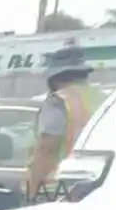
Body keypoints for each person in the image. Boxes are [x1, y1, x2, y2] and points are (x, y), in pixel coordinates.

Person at [25, 44, 103, 200]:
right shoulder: (101, 98)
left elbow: (47, 149)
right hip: (93, 185)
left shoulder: (59, 102)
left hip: (58, 190)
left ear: (55, 78)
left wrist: (31, 192)